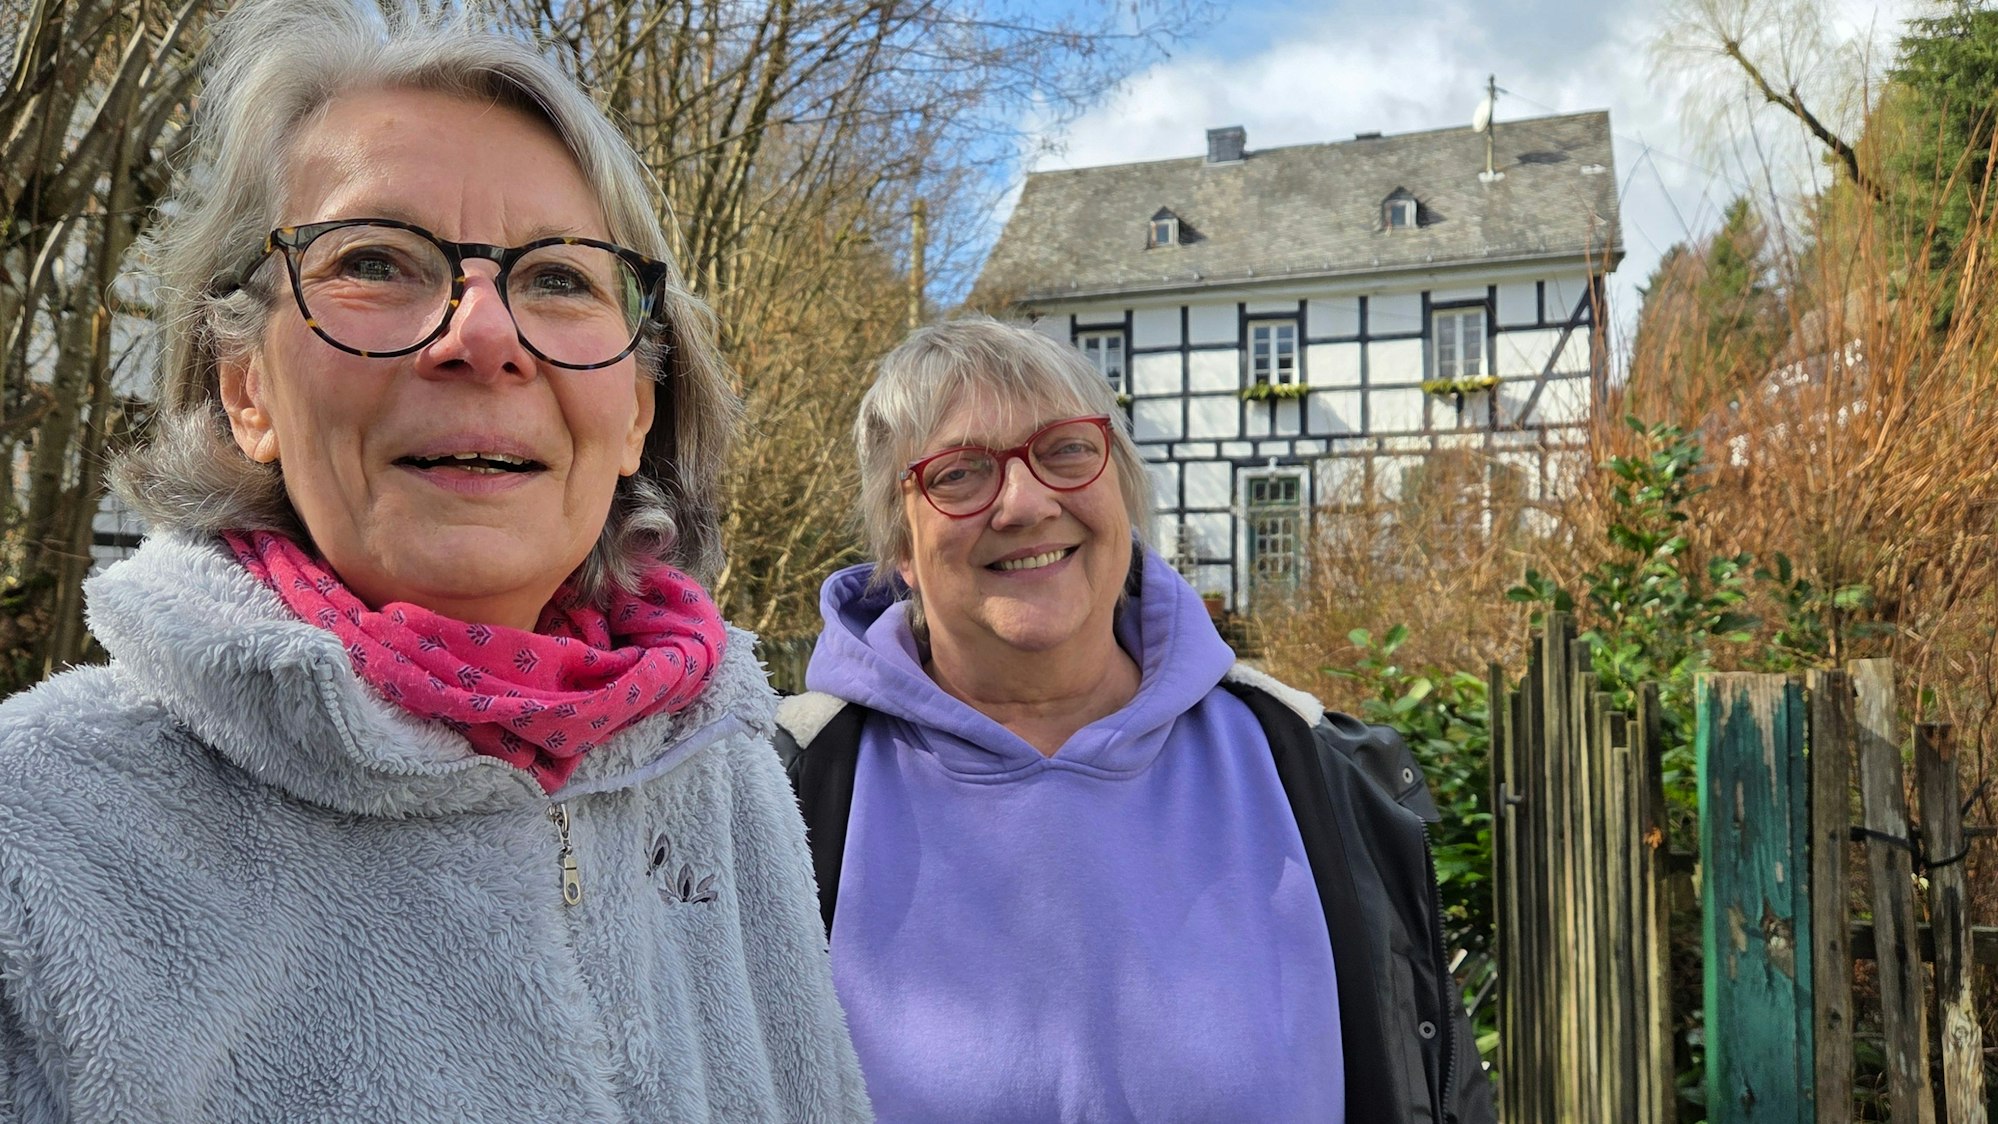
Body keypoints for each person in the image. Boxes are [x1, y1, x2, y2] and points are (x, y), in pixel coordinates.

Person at [0, 1, 872, 1119]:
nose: (482, 333)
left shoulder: (722, 759)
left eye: (559, 276)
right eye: (375, 260)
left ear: (636, 408)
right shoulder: (41, 834)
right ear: (244, 387)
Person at [777, 317, 1498, 1123]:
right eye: (960, 473)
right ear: (901, 542)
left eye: (1066, 450)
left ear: (1121, 486)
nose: (1026, 501)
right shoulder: (789, 797)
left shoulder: (1316, 770)